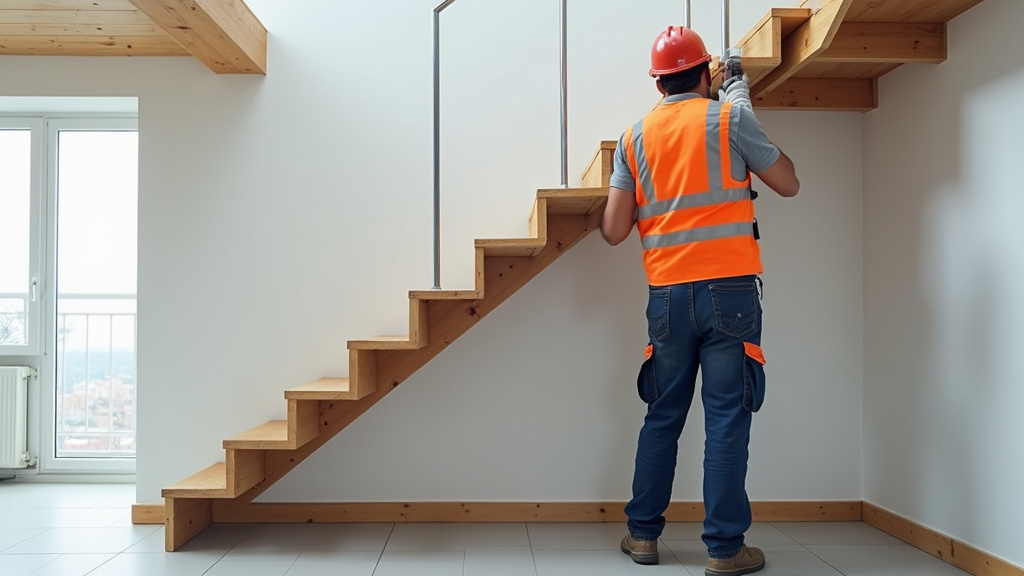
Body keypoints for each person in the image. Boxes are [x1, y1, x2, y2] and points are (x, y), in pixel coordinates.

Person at [601, 25, 799, 576]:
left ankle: (642, 537)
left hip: (666, 298)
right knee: (726, 422)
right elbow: (788, 182)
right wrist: (740, 100)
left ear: (659, 82)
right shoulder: (730, 117)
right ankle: (724, 550)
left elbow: (614, 229)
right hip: (730, 295)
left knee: (661, 417)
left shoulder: (633, 136)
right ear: (706, 71)